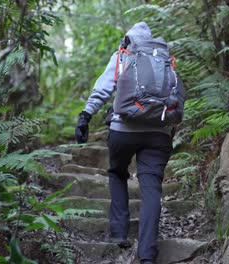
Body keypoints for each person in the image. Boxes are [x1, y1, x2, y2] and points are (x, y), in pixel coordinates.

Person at [75, 22, 175, 264]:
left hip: (123, 129)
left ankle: (119, 232)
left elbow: (104, 88)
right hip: (158, 133)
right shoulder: (164, 59)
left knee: (117, 172)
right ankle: (147, 256)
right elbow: (175, 95)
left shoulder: (123, 55)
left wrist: (85, 116)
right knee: (151, 188)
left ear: (128, 39)